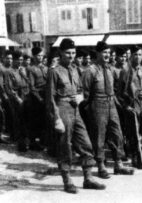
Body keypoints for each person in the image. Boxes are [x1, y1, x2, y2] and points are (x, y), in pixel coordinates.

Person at [46, 38, 105, 194]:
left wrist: (81, 97)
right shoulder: (54, 71)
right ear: (60, 53)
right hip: (62, 109)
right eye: (68, 53)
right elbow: (50, 98)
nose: (71, 56)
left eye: (73, 53)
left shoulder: (75, 69)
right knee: (65, 146)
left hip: (75, 110)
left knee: (86, 144)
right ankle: (67, 181)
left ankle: (88, 178)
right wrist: (56, 119)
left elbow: (81, 90)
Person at [82, 41, 134, 179]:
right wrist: (90, 109)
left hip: (112, 105)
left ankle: (118, 164)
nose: (107, 55)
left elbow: (116, 89)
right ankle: (101, 166)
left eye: (108, 53)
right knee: (99, 137)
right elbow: (85, 93)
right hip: (97, 106)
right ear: (98, 53)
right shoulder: (90, 71)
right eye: (104, 53)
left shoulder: (110, 69)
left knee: (117, 134)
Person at [25, 47, 48, 151]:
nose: (40, 57)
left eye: (41, 55)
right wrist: (40, 99)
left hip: (45, 96)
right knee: (34, 121)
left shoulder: (45, 68)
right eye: (38, 55)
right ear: (33, 56)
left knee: (44, 120)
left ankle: (43, 141)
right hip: (35, 99)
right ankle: (33, 142)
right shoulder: (31, 69)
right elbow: (32, 87)